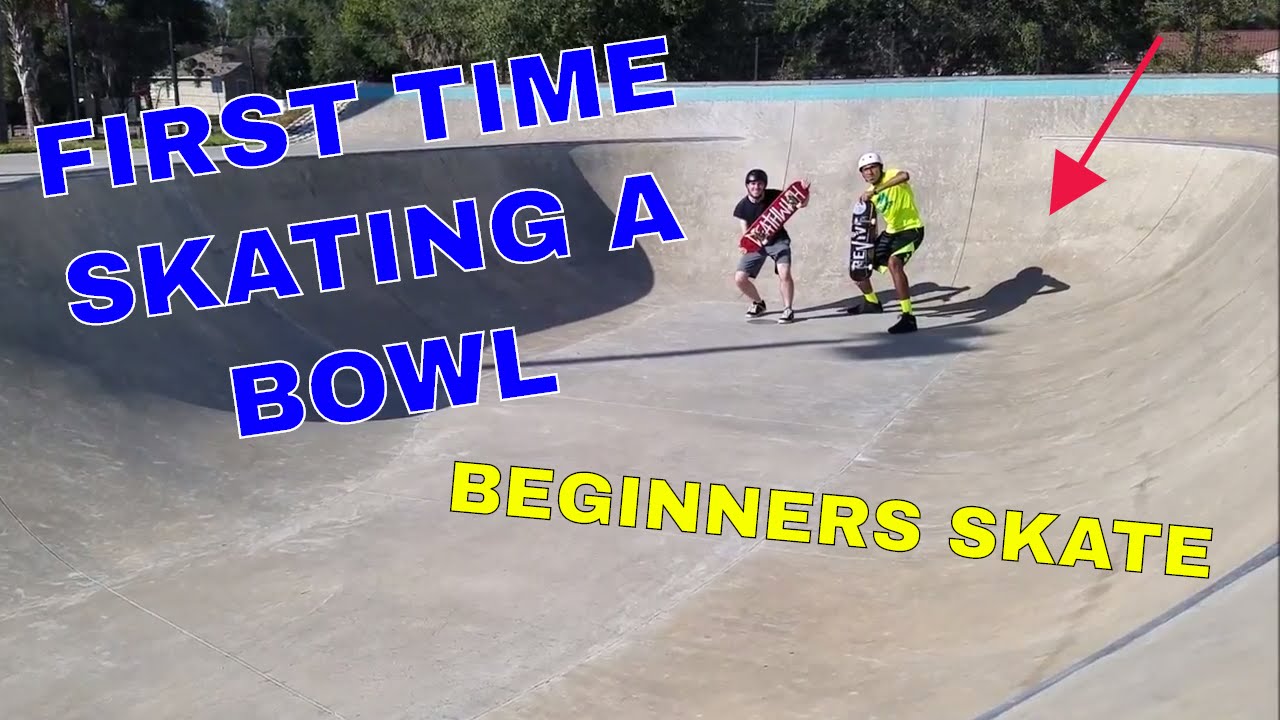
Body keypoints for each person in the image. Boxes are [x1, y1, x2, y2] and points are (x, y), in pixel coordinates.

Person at [844, 152, 924, 334]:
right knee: (860, 263)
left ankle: (908, 318)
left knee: (894, 263)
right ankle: (872, 302)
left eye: (873, 167)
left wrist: (876, 190)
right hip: (890, 233)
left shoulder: (892, 176)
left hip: (911, 230)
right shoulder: (870, 195)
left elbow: (905, 176)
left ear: (881, 167)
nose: (870, 172)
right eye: (865, 170)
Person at [733, 168, 807, 323]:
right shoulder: (742, 206)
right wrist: (746, 244)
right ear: (747, 186)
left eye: (760, 184)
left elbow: (799, 204)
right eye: (752, 184)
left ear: (764, 185)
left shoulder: (775, 196)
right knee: (740, 278)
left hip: (779, 241)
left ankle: (788, 309)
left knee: (784, 273)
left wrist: (805, 193)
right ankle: (758, 304)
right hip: (757, 244)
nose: (756, 187)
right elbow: (744, 228)